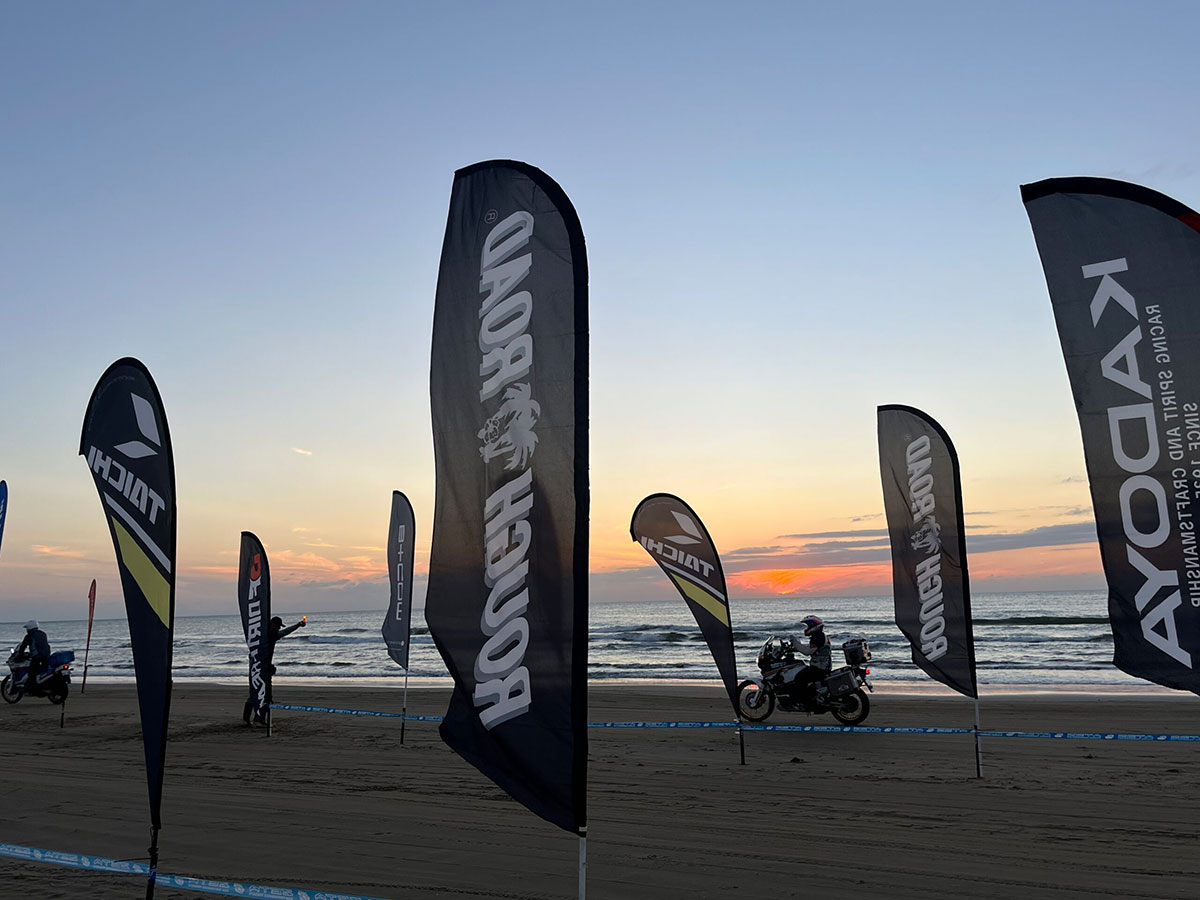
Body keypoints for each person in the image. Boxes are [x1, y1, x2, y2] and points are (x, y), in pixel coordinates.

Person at [243, 615, 307, 725]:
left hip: (264, 667)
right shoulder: (262, 635)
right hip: (257, 668)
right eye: (277, 626)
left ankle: (260, 719)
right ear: (272, 624)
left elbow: (285, 632)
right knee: (256, 693)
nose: (278, 628)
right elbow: (253, 654)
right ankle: (248, 719)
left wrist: (297, 625)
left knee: (267, 695)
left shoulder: (271, 635)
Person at [788, 615, 832, 701]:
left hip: (820, 668)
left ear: (814, 626)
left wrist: (795, 643)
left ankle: (804, 701)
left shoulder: (818, 637)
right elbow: (810, 648)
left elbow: (807, 652)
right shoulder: (818, 636)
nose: (807, 628)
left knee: (799, 678)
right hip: (821, 666)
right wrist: (794, 648)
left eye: (808, 626)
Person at [15, 620, 51, 691]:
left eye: (27, 628)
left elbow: (23, 647)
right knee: (42, 671)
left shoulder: (29, 636)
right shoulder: (43, 633)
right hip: (46, 656)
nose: (26, 630)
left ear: (29, 628)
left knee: (31, 673)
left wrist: (20, 655)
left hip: (37, 657)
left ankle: (33, 689)